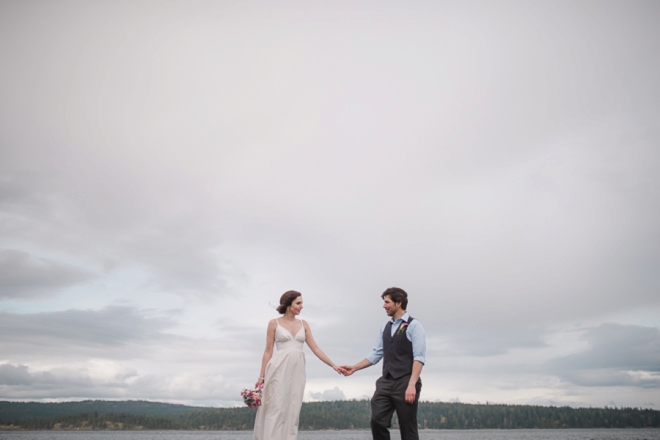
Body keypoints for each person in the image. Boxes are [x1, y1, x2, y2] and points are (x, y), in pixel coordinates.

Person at [253, 290, 344, 440]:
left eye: (301, 303)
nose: (302, 306)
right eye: (298, 303)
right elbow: (268, 351)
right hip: (277, 368)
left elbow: (316, 348)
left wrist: (333, 365)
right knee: (275, 406)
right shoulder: (273, 323)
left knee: (292, 408)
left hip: (297, 370)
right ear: (288, 305)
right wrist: (261, 376)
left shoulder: (304, 324)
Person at [340, 287, 426, 440]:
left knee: (408, 427)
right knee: (377, 421)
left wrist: (412, 384)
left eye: (387, 302)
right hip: (386, 381)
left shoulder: (414, 326)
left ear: (398, 303)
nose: (384, 306)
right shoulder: (385, 327)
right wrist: (354, 367)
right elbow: (377, 353)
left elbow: (419, 357)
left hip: (406, 381)